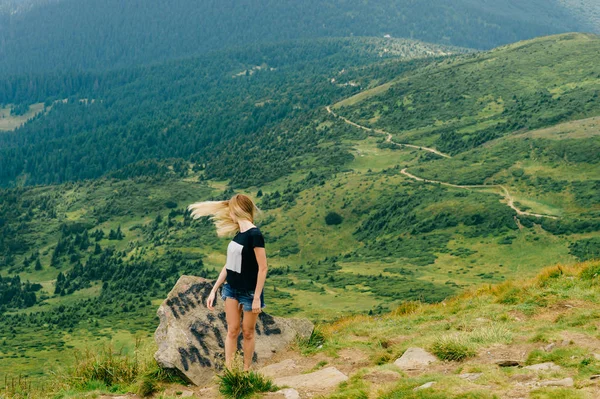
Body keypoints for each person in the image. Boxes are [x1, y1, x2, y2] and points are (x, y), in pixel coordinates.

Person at [186, 193, 267, 372]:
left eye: (231, 211)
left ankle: (246, 371)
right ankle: (230, 371)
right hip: (231, 289)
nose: (229, 215)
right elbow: (229, 265)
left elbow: (263, 268)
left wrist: (256, 298)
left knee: (248, 332)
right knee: (232, 331)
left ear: (237, 210)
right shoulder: (239, 234)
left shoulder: (255, 235)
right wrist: (214, 289)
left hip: (249, 293)